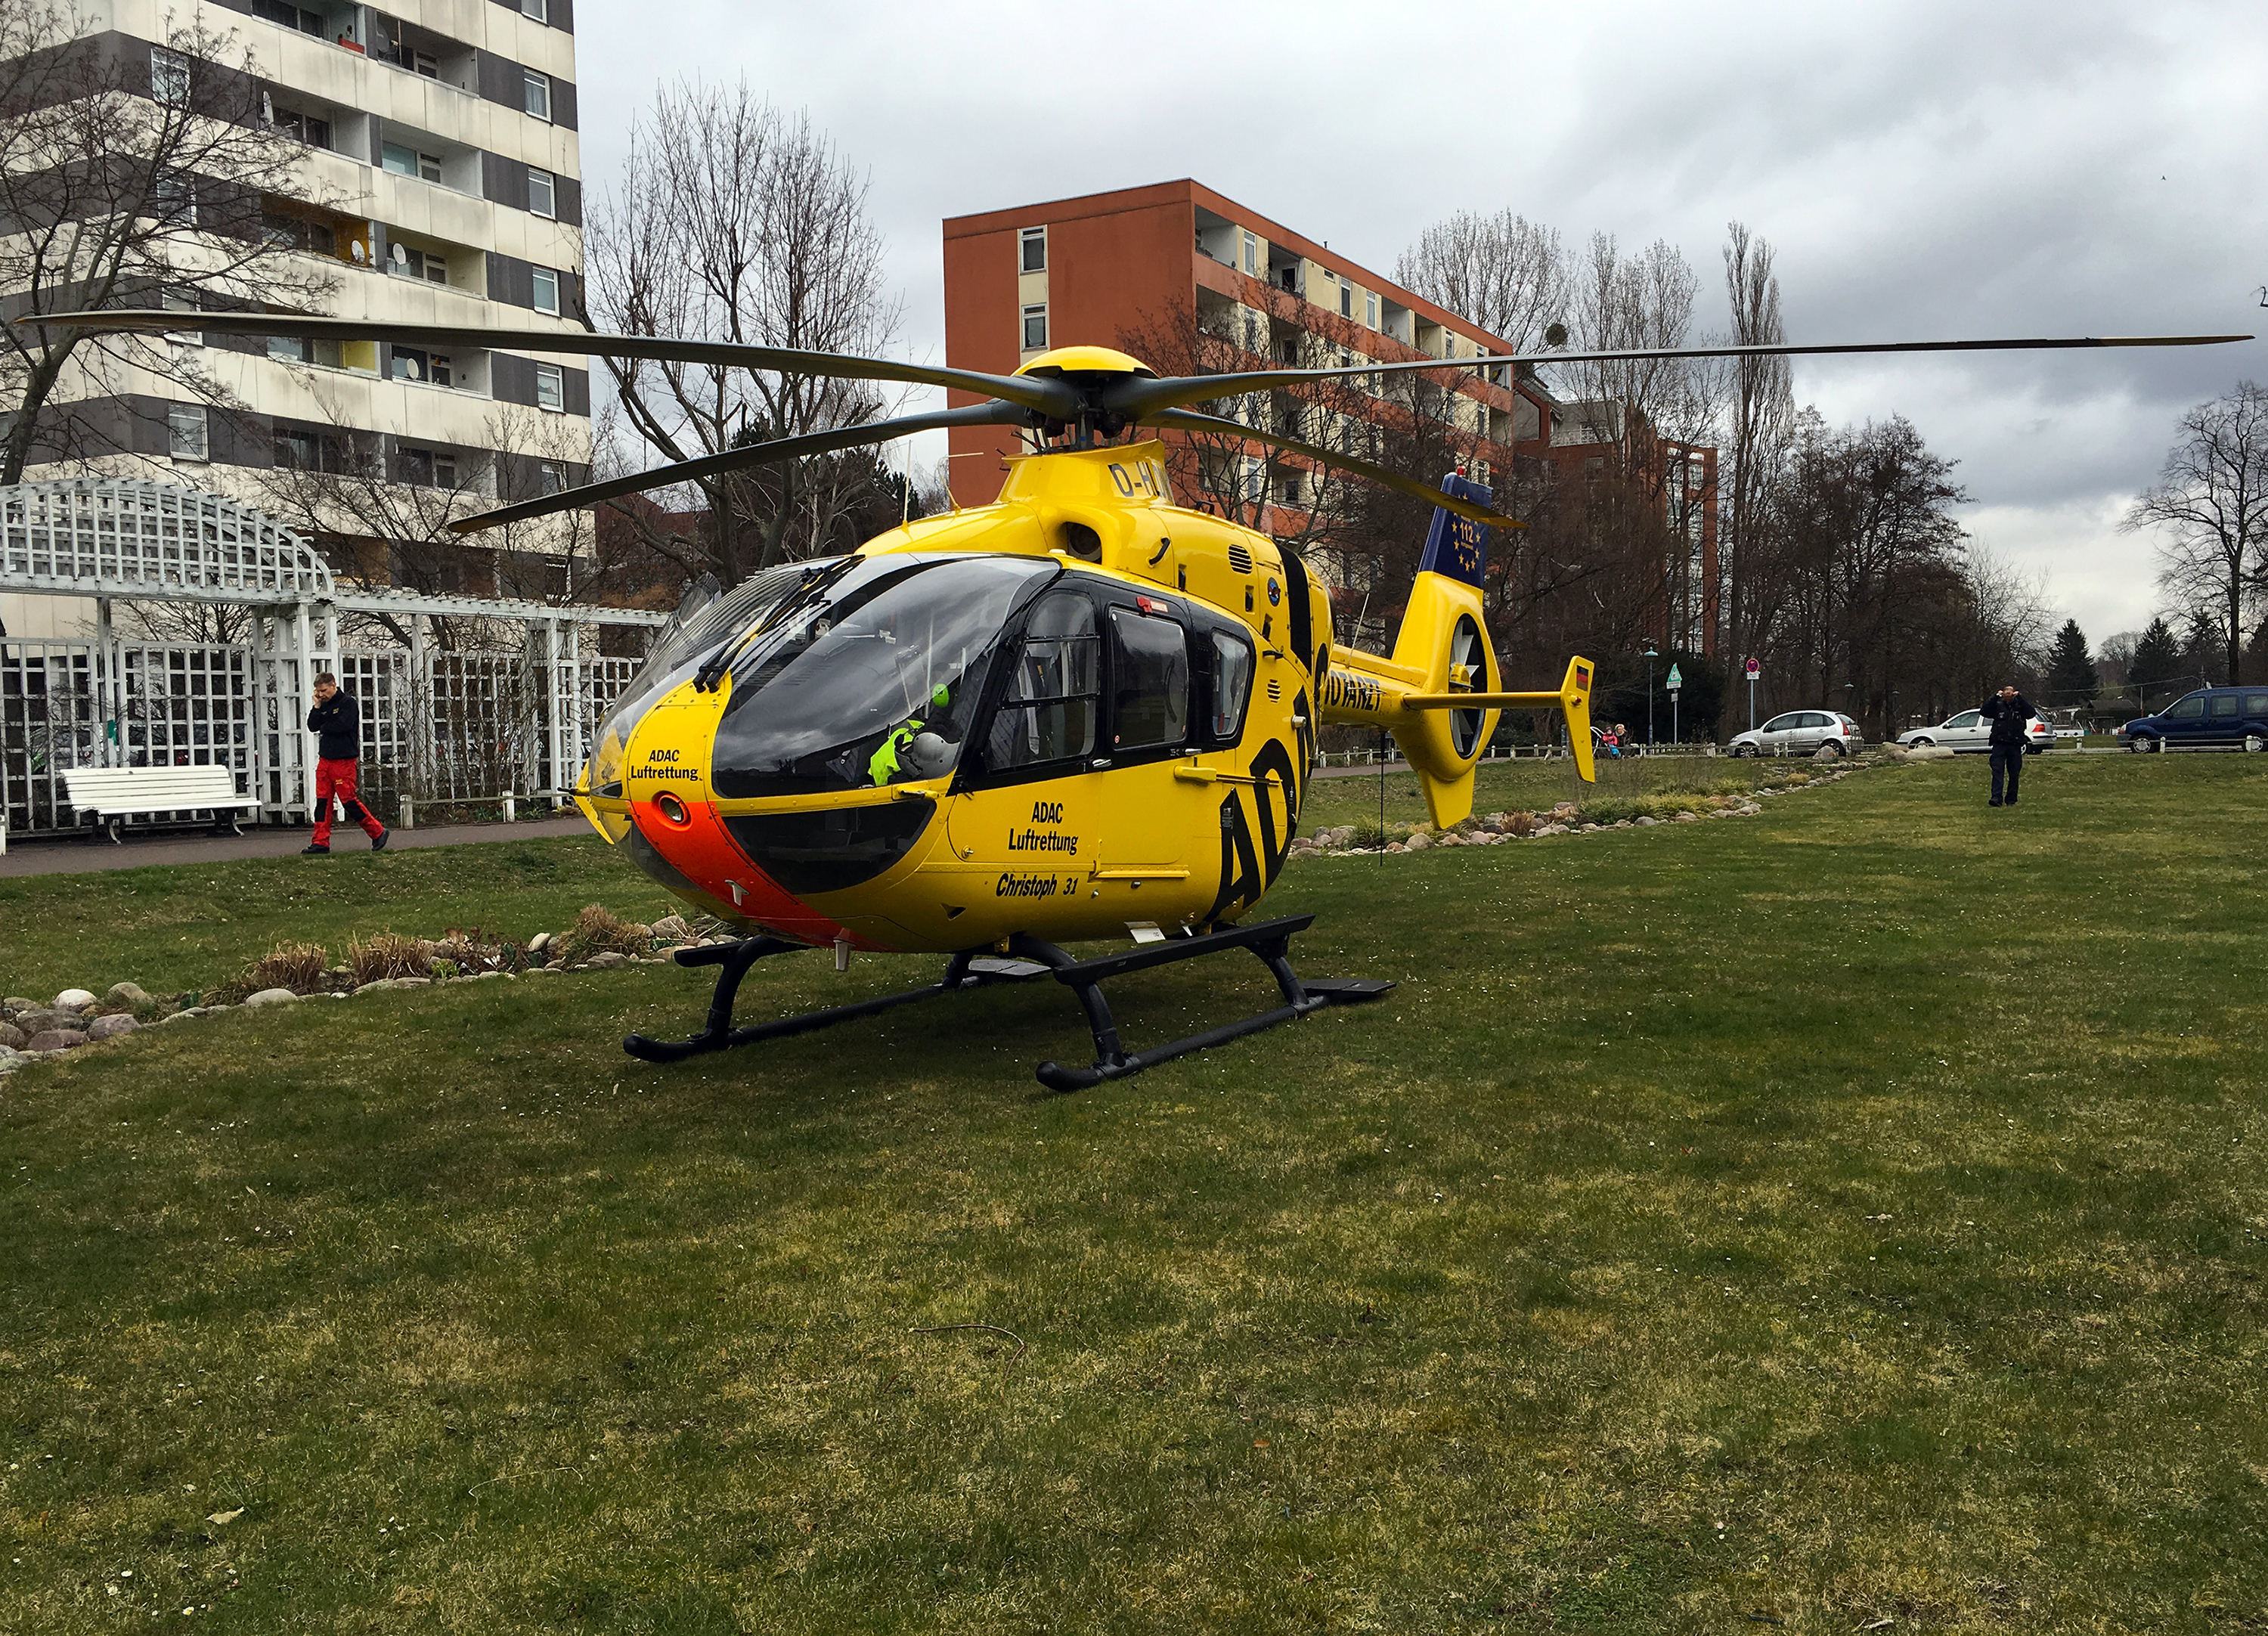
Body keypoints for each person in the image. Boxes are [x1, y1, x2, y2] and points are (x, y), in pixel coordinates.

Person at [303, 672, 388, 854]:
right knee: (323, 803)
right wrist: (317, 706)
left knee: (348, 801)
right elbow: (312, 726)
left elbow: (342, 726)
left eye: (324, 691)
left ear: (334, 685)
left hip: (344, 761)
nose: (321, 695)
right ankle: (320, 842)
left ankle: (377, 832)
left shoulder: (348, 703)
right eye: (318, 692)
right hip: (325, 760)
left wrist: (325, 725)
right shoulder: (323, 705)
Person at [1978, 683, 2037, 807]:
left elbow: (2031, 713)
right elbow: (1984, 711)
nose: (2008, 696)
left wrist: (2020, 698)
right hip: (1999, 743)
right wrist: (1995, 696)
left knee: (2014, 773)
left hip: (2015, 744)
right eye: (2006, 693)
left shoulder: (2020, 706)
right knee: (1997, 771)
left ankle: (2011, 799)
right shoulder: (1997, 705)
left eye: (2011, 693)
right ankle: (1996, 798)